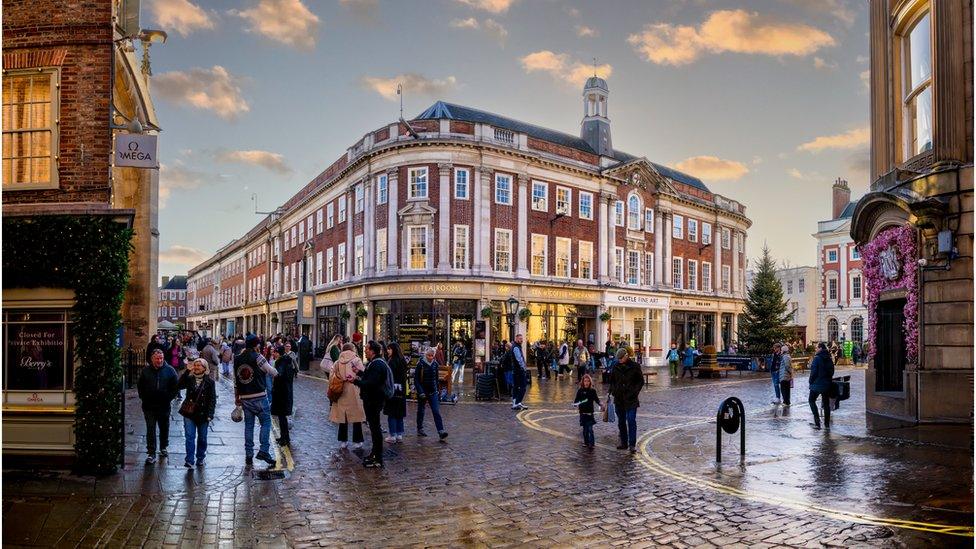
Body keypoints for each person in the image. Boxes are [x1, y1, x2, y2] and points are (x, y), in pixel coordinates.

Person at [234, 335, 279, 467]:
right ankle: (264, 450)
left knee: (249, 426)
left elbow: (236, 381)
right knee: (266, 422)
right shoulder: (259, 357)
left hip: (245, 397)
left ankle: (249, 454)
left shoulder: (237, 359)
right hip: (259, 396)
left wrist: (236, 398)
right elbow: (273, 372)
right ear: (256, 345)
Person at [351, 341, 390, 468]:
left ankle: (377, 458)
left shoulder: (377, 364)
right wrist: (358, 372)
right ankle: (374, 454)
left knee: (375, 429)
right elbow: (369, 378)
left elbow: (371, 384)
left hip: (374, 400)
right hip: (372, 399)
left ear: (373, 351)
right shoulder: (374, 363)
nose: (365, 351)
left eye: (367, 349)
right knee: (374, 428)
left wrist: (355, 381)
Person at [138, 349, 179, 464]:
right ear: (152, 359)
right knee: (150, 428)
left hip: (164, 406)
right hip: (149, 406)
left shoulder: (170, 371)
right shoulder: (145, 371)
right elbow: (140, 386)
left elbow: (175, 388)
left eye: (161, 358)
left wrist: (168, 398)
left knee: (164, 427)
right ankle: (151, 452)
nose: (160, 360)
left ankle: (163, 447)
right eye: (157, 358)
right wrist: (143, 397)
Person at [177, 358, 217, 467]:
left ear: (204, 368)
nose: (196, 367)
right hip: (189, 412)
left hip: (203, 414)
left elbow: (212, 399)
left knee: (202, 437)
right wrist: (186, 371)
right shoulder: (189, 378)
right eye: (195, 365)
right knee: (189, 437)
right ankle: (189, 460)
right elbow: (179, 385)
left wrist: (210, 414)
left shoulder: (210, 382)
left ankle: (200, 457)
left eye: (199, 365)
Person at [330, 343, 366, 448]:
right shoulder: (356, 360)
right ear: (352, 349)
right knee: (356, 416)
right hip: (354, 390)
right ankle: (357, 441)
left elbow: (332, 375)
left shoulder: (338, 362)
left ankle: (343, 440)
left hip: (341, 390)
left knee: (343, 416)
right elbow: (363, 374)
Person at [609, 347, 643, 452]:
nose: (619, 360)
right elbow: (612, 381)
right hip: (619, 399)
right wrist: (613, 391)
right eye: (618, 359)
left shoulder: (635, 367)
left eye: (621, 358)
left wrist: (634, 392)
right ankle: (624, 442)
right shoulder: (615, 367)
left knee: (631, 420)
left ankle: (632, 444)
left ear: (626, 356)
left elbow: (640, 381)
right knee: (621, 422)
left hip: (631, 398)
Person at [414, 347, 448, 439]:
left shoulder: (435, 364)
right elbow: (416, 379)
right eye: (429, 355)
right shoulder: (420, 364)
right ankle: (420, 428)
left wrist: (437, 390)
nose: (430, 357)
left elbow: (436, 378)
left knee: (436, 411)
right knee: (421, 410)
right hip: (423, 391)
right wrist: (420, 391)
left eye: (432, 356)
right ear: (425, 355)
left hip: (433, 391)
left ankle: (441, 430)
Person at [270, 345, 295, 447]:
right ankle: (284, 437)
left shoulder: (281, 362)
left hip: (281, 392)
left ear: (278, 353)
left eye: (274, 352)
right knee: (282, 417)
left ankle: (285, 438)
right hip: (284, 391)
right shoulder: (286, 361)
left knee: (282, 416)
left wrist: (272, 374)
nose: (273, 354)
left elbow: (279, 375)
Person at [384, 342, 408, 443]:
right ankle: (399, 434)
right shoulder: (403, 360)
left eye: (389, 349)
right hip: (401, 389)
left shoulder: (391, 361)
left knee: (392, 413)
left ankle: (392, 434)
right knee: (399, 413)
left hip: (392, 389)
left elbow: (388, 376)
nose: (387, 351)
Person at [808, 342, 835, 429]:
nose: (816, 349)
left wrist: (810, 381)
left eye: (816, 348)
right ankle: (827, 424)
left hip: (817, 383)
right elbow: (832, 371)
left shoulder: (817, 358)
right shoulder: (829, 358)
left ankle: (817, 422)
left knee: (811, 400)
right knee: (826, 403)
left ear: (820, 348)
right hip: (827, 384)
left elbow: (814, 372)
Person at [573, 374, 603, 448]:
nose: (586, 383)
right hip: (582, 413)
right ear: (582, 382)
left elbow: (596, 399)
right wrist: (576, 404)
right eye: (585, 381)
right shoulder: (580, 391)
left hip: (590, 413)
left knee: (590, 429)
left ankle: (592, 444)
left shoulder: (592, 391)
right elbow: (576, 400)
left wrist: (600, 404)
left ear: (590, 382)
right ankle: (586, 442)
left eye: (588, 381)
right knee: (585, 429)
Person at [504, 334, 530, 410]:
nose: (521, 340)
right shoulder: (516, 347)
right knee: (523, 387)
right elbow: (519, 359)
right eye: (520, 339)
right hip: (519, 370)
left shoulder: (515, 346)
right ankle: (518, 402)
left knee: (516, 386)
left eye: (522, 339)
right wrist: (524, 368)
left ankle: (515, 403)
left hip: (515, 370)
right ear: (516, 339)